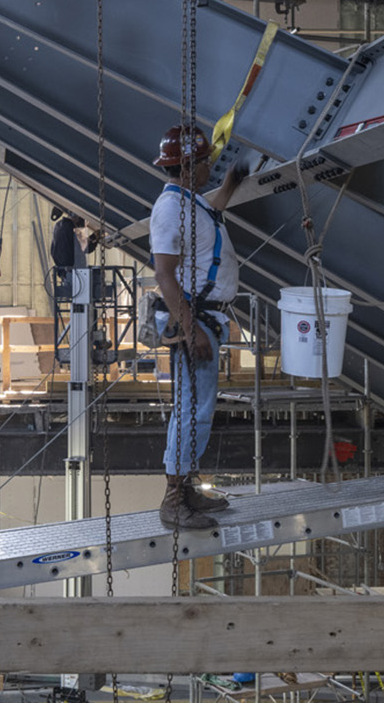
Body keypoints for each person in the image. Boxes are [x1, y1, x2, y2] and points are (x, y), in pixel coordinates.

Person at [148, 123, 249, 529]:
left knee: (197, 408)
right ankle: (173, 500)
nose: (210, 166)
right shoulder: (170, 209)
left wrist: (231, 183)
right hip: (196, 319)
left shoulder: (191, 202)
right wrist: (191, 330)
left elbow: (214, 211)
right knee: (193, 410)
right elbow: (165, 276)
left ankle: (186, 487)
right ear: (188, 167)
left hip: (206, 317)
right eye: (205, 161)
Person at [50, 211, 98, 298]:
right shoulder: (74, 229)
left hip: (64, 272)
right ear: (77, 218)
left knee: (77, 300)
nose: (84, 224)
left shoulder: (58, 226)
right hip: (75, 273)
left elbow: (79, 244)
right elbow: (86, 247)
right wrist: (96, 237)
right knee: (84, 296)